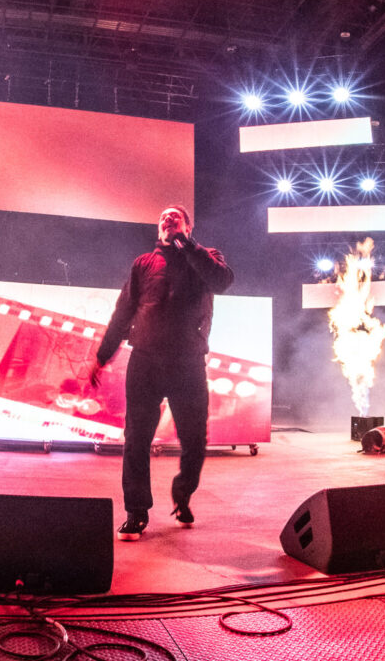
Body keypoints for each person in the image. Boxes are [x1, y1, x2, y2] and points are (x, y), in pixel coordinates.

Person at [88, 205, 233, 540]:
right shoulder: (143, 263)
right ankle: (136, 512)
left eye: (175, 217)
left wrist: (188, 245)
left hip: (188, 364)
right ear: (158, 228)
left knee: (194, 441)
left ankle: (182, 496)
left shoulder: (206, 256)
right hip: (146, 362)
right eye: (164, 218)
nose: (168, 220)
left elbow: (222, 282)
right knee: (136, 438)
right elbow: (123, 311)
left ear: (187, 226)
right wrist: (102, 355)